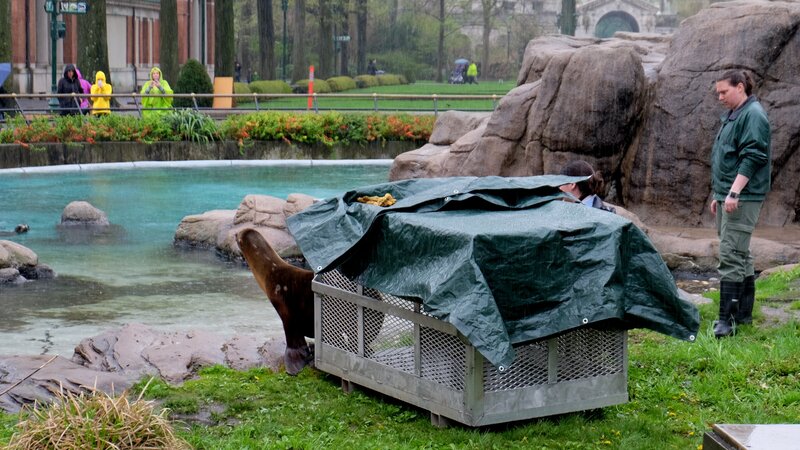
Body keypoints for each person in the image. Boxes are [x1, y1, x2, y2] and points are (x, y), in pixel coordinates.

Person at [709, 69, 771, 338]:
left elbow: (754, 156)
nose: (720, 97)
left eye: (724, 92)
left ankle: (726, 323)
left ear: (741, 87)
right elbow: (729, 157)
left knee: (731, 255)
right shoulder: (736, 114)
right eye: (718, 93)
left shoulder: (753, 115)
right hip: (729, 195)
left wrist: (733, 193)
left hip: (742, 197)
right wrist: (720, 194)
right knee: (740, 253)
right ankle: (742, 316)